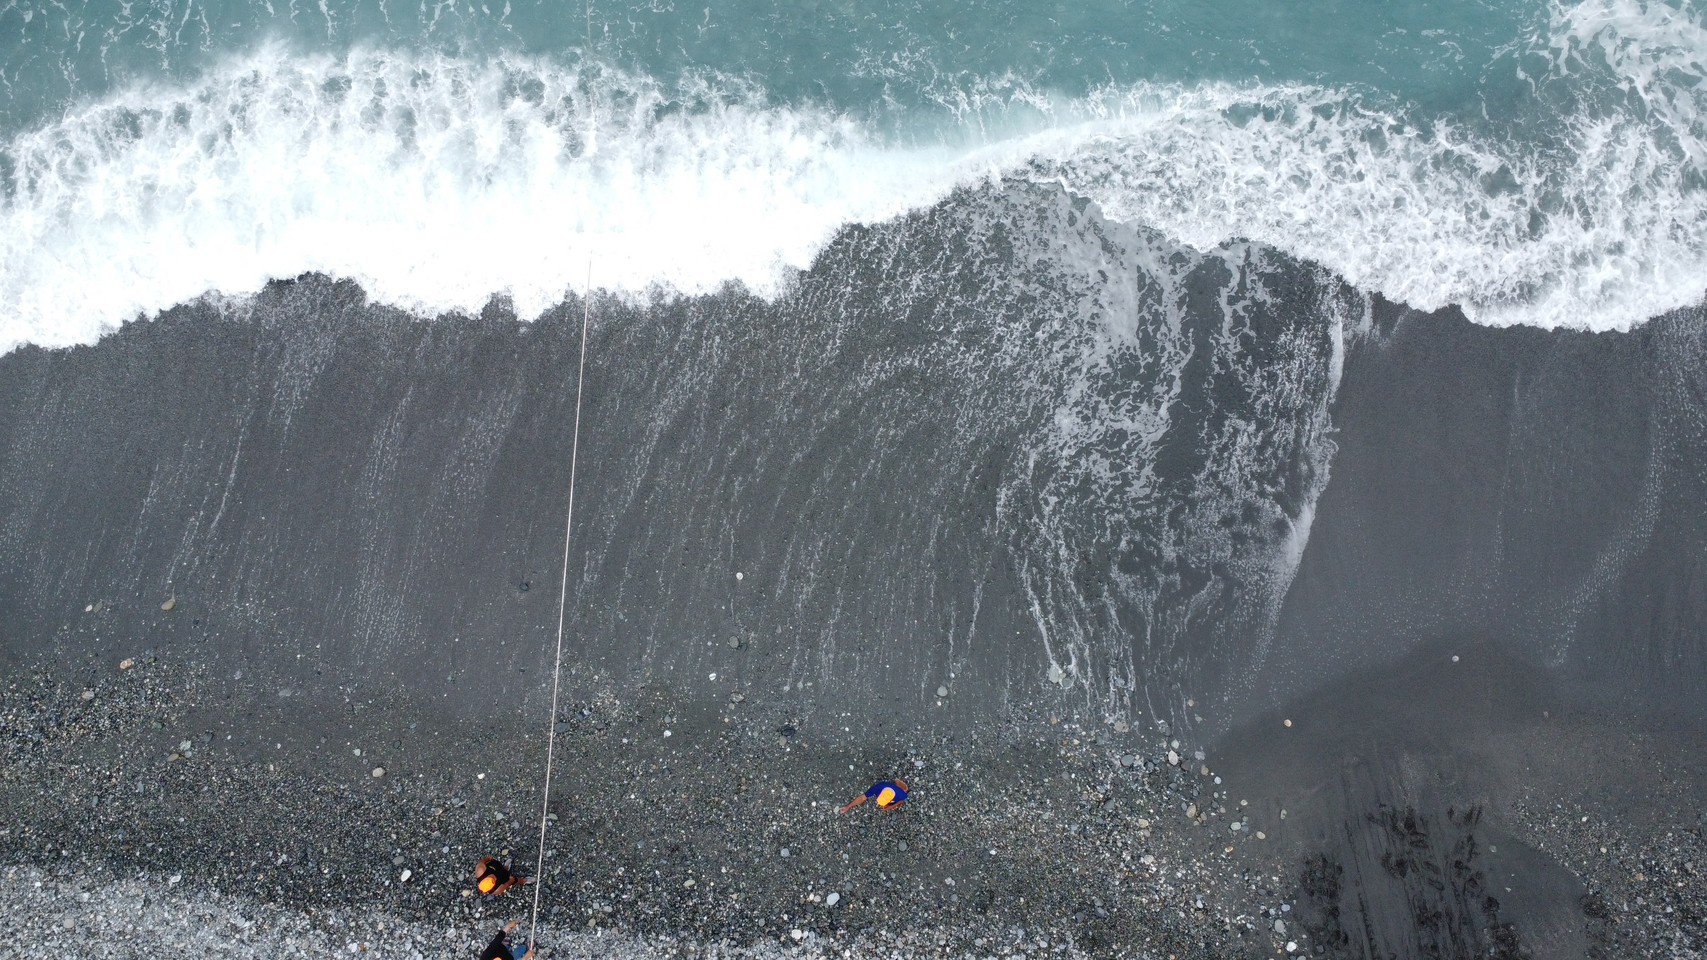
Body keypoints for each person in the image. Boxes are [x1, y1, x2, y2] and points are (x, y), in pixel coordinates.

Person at [838, 779, 909, 813]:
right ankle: (896, 783)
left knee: (905, 789)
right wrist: (848, 806)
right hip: (886, 786)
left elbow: (901, 801)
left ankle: (898, 783)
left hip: (899, 792)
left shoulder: (902, 795)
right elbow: (862, 797)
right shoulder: (878, 788)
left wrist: (891, 806)